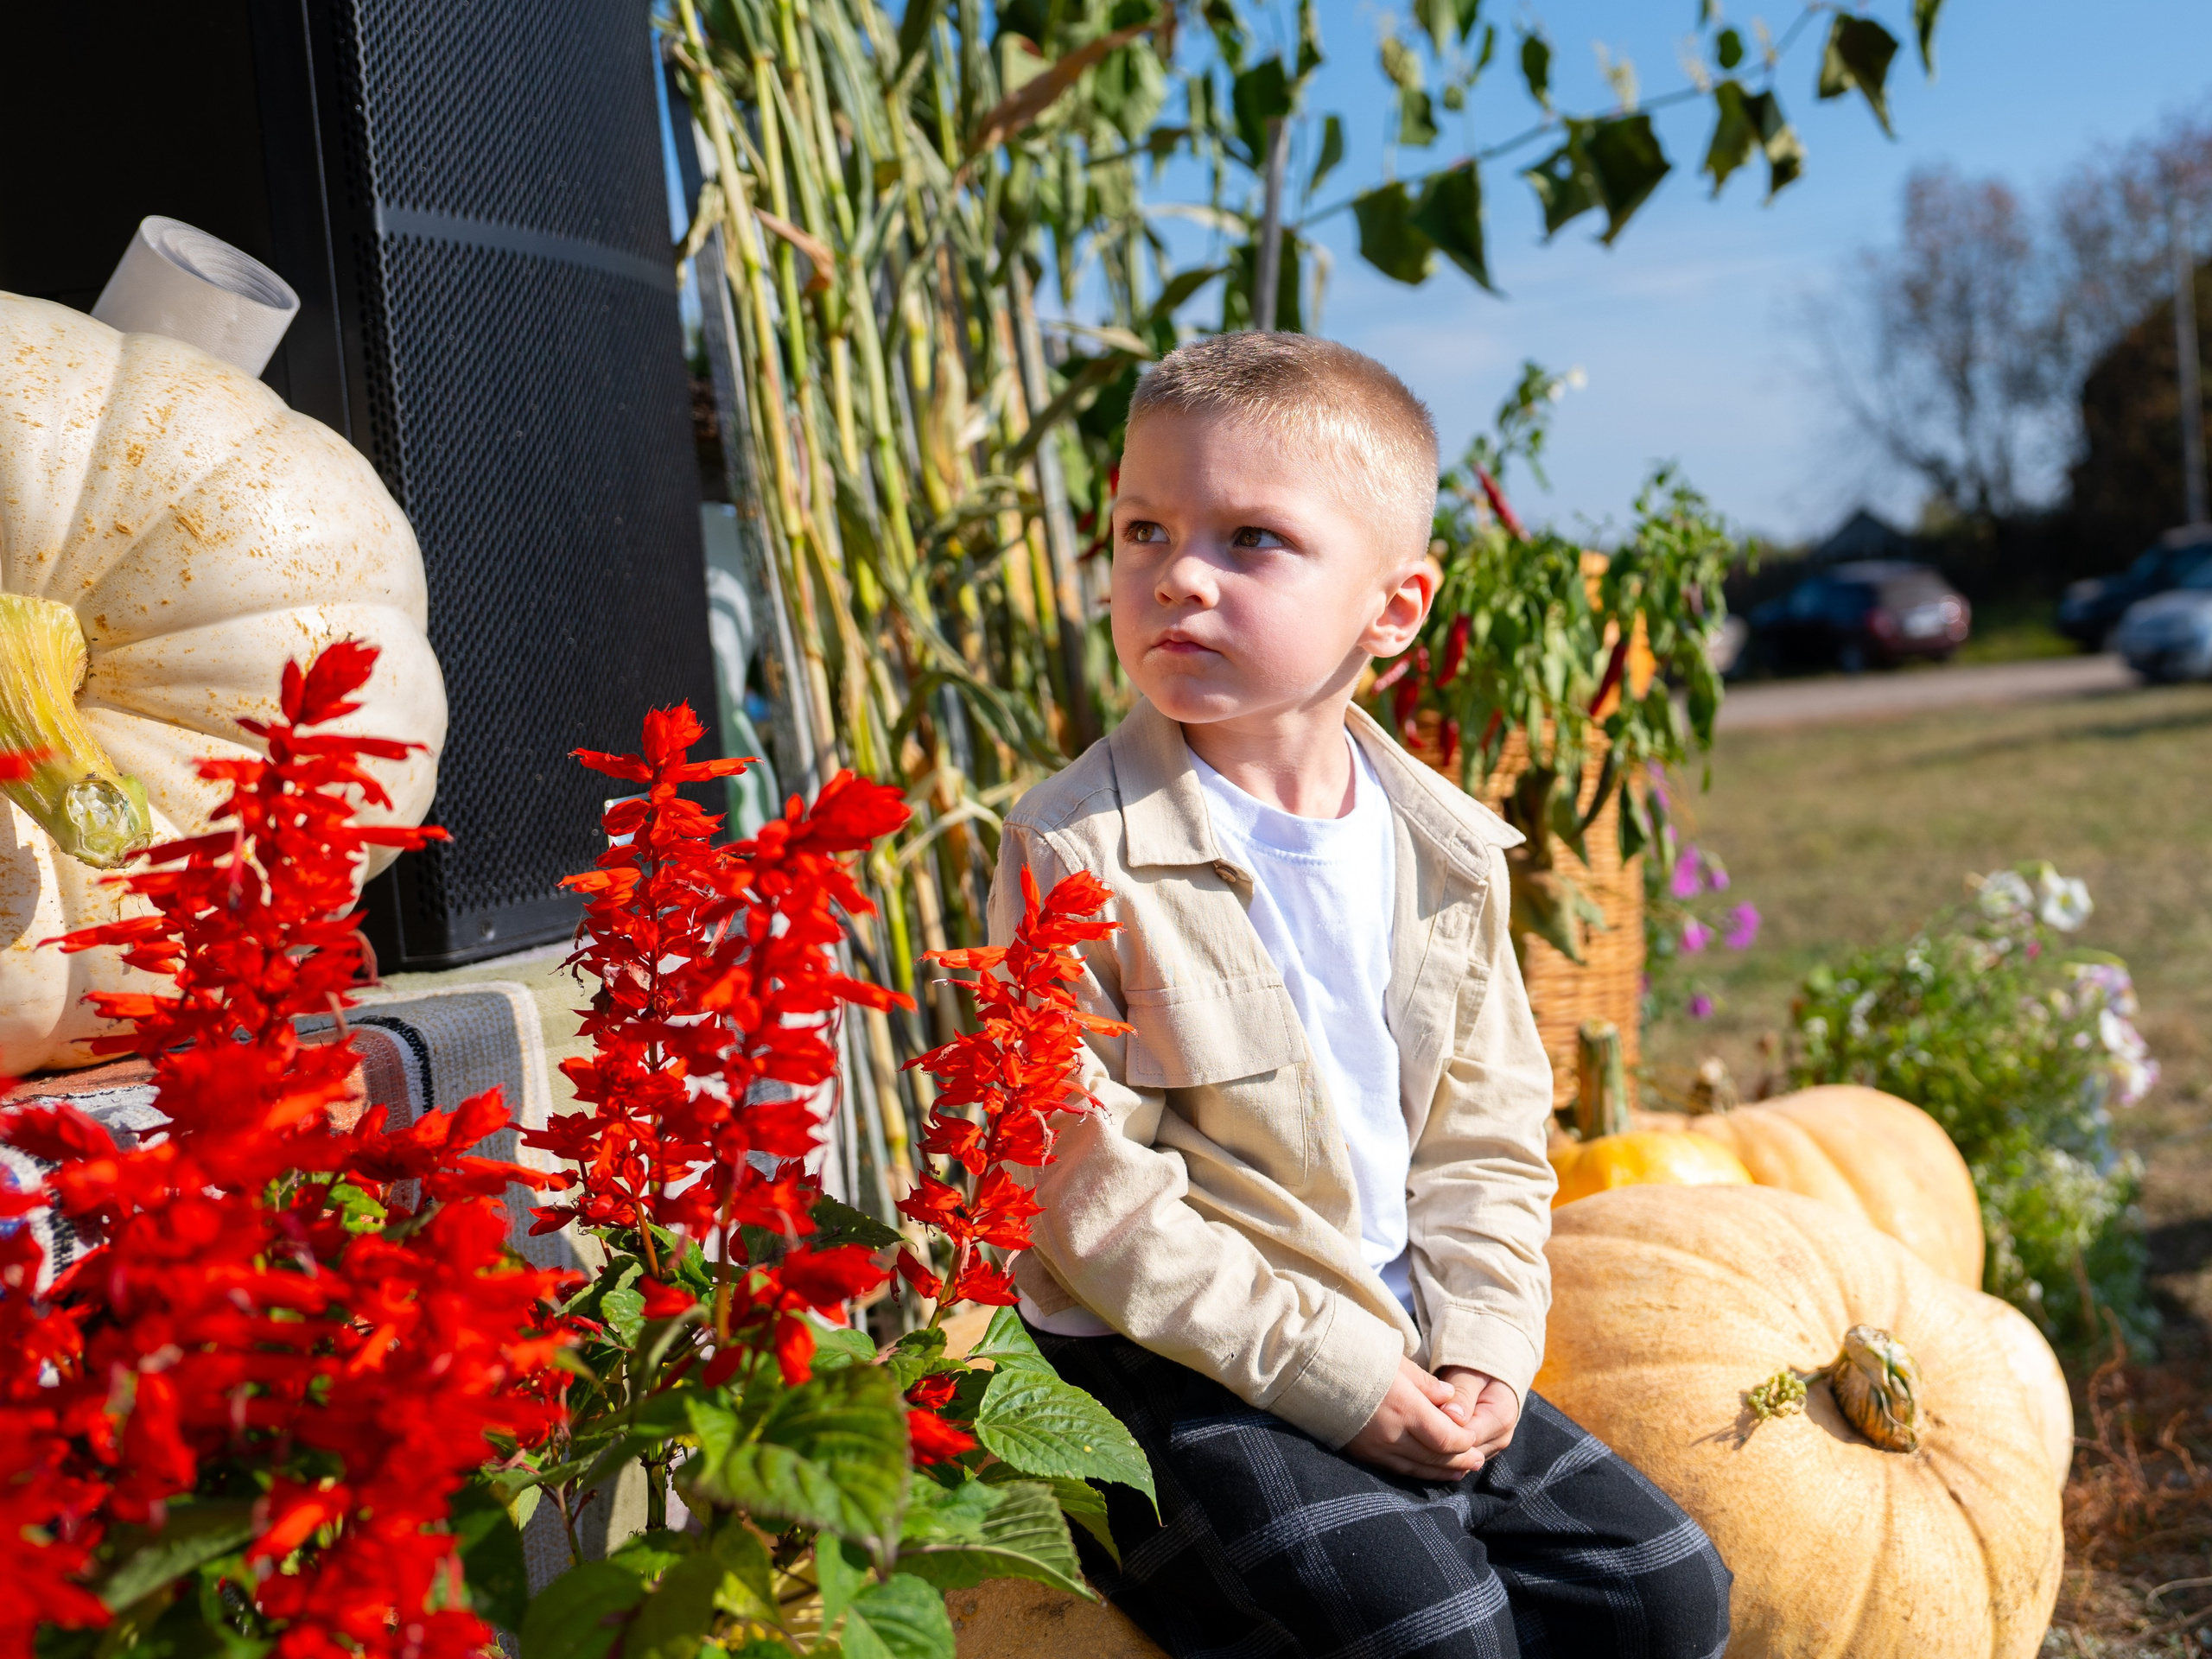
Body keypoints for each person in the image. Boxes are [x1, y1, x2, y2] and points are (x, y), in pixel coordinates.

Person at [986, 332, 1732, 1658]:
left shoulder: (1444, 850)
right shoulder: (1075, 849)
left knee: (1662, 1586)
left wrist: (1485, 1345)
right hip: (1167, 1356)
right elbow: (1085, 1188)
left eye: (1252, 539)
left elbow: (1487, 1133)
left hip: (1399, 1323)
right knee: (1437, 1632)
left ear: (1393, 611)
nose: (1178, 577)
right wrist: (1340, 1381)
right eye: (1144, 531)